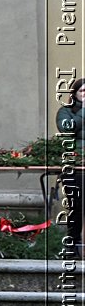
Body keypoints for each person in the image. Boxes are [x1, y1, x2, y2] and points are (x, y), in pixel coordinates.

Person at [58, 78, 85, 256]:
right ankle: (73, 244)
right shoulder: (66, 111)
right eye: (83, 91)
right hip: (75, 167)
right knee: (77, 205)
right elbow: (67, 128)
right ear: (74, 94)